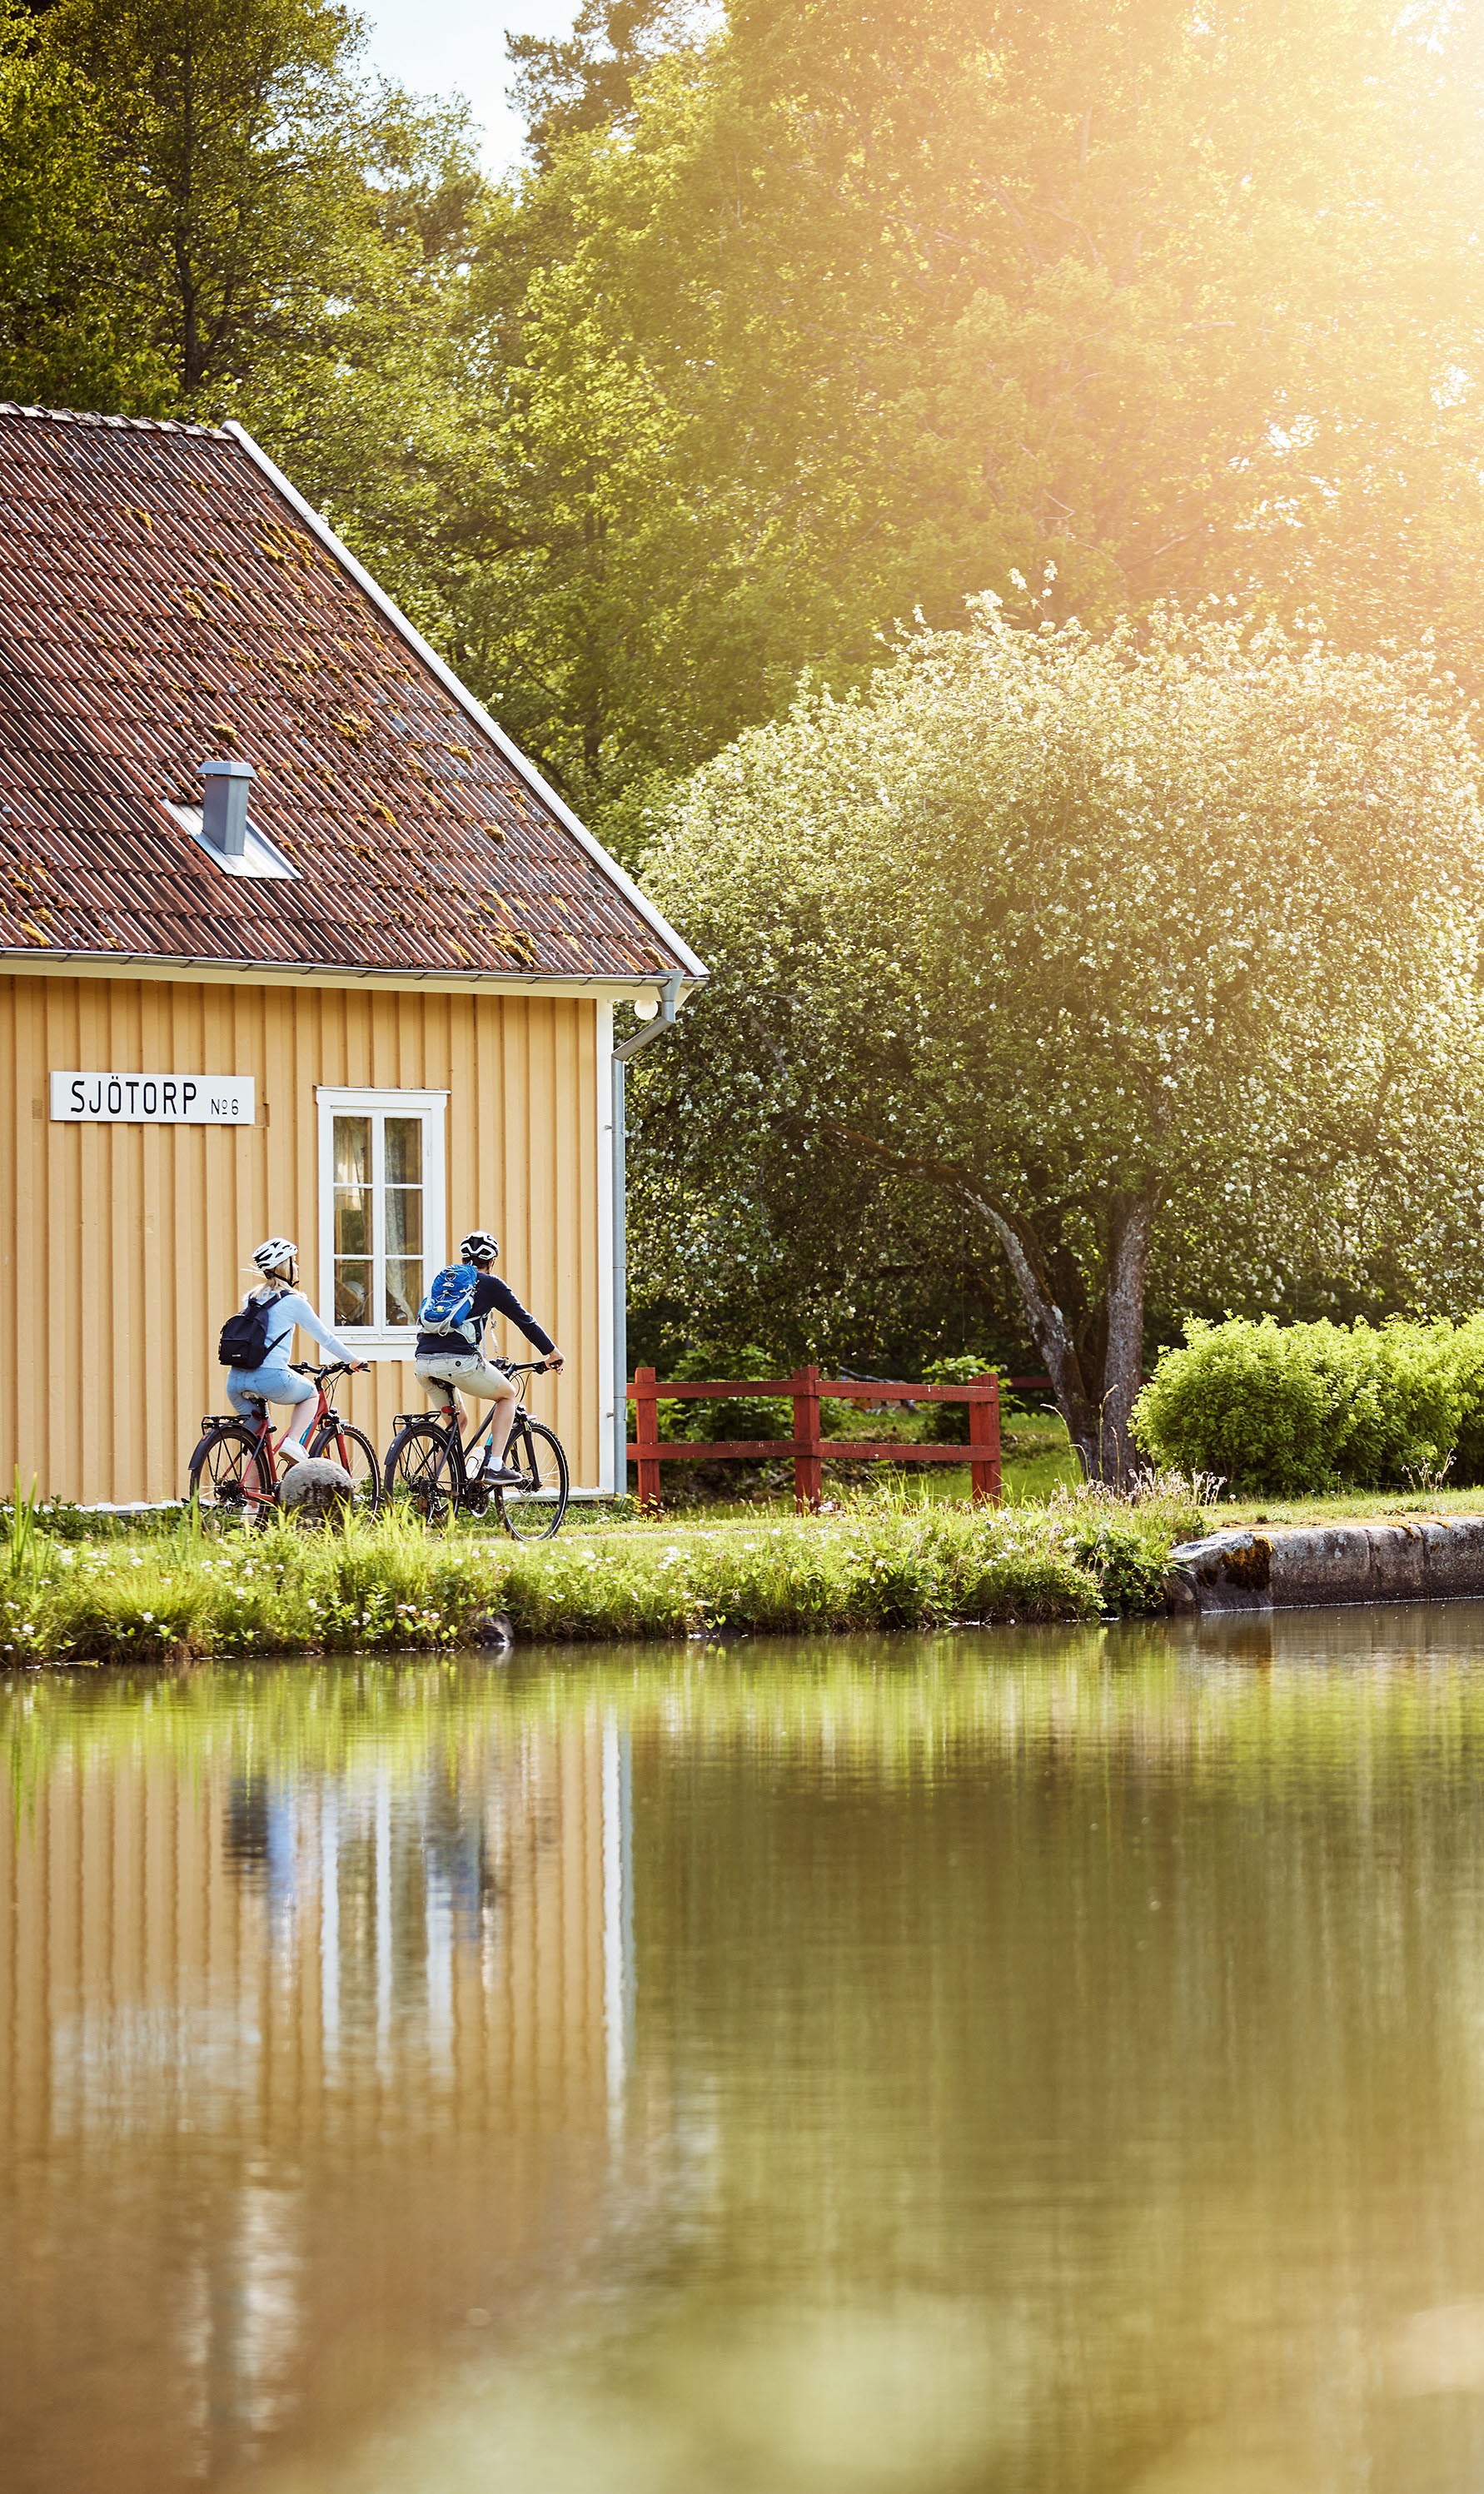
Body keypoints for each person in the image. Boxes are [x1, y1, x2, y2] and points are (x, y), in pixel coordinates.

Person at [414, 1229, 564, 1482]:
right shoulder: (492, 1285)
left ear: (463, 1259)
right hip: (460, 1362)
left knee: (457, 1422)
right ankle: (495, 1465)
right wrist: (552, 1352)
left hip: (424, 1364)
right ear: (491, 1261)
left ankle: (429, 1484)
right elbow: (524, 1321)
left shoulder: (447, 1282)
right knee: (507, 1396)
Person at [227, 1237, 367, 1466]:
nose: (298, 1267)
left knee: (256, 1443)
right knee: (311, 1394)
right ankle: (293, 1442)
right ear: (284, 1267)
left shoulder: (251, 1298)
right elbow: (326, 1338)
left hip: (235, 1380)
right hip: (270, 1377)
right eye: (294, 1262)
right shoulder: (294, 1301)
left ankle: (252, 1501)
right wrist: (353, 1360)